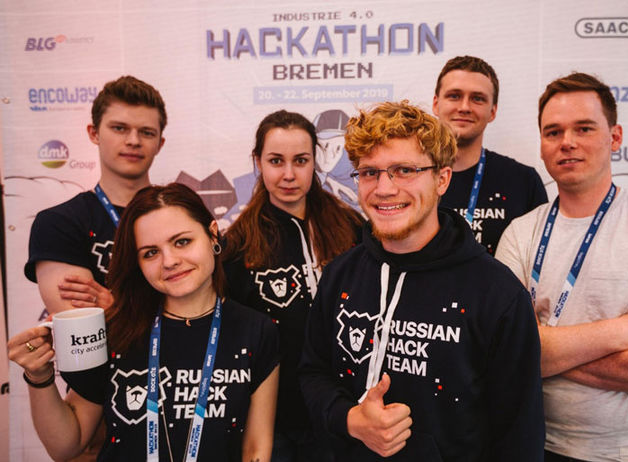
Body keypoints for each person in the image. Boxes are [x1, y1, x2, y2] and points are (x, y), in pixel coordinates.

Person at [299, 101, 544, 461]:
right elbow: (313, 373)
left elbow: (519, 436)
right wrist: (351, 420)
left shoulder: (498, 294)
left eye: (404, 170)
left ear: (442, 179)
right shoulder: (340, 275)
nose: (384, 188)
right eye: (370, 172)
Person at [495, 72, 628, 461]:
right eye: (553, 132)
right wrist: (622, 331)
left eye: (584, 128)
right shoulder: (520, 233)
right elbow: (501, 354)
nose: (567, 142)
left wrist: (544, 352)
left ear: (615, 137)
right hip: (533, 446)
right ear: (542, 145)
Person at [9, 183, 280, 461]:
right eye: (150, 253)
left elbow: (255, 449)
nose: (169, 261)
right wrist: (39, 378)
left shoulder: (256, 331)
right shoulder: (116, 330)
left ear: (212, 235)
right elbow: (66, 444)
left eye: (182, 242)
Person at [223, 110, 363, 461]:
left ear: (315, 161)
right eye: (276, 161)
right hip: (276, 418)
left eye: (300, 161)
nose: (288, 174)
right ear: (258, 161)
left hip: (344, 410)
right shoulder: (238, 245)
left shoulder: (351, 227)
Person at [25, 75, 167, 313]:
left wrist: (115, 306)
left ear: (159, 144)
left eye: (147, 132)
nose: (133, 141)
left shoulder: (185, 217)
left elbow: (202, 313)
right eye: (119, 128)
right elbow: (80, 326)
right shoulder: (59, 223)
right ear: (94, 133)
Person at [433, 55, 547, 254]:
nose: (464, 107)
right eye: (454, 96)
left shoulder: (523, 181)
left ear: (493, 111)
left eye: (477, 99)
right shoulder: (410, 175)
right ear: (436, 104)